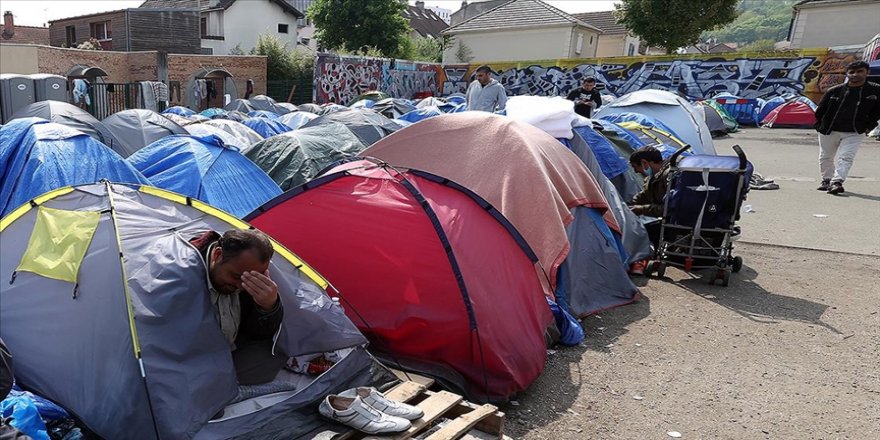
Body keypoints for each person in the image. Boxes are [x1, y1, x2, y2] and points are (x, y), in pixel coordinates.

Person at [190, 229, 286, 385]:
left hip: (225, 356)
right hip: (189, 363)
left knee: (277, 354)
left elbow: (257, 334)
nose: (240, 286)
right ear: (217, 255)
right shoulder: (183, 276)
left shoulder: (246, 279)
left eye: (249, 279)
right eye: (236, 276)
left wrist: (267, 307)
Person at [814, 60, 880, 195]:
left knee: (846, 157)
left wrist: (868, 127)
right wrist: (819, 125)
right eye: (852, 72)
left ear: (867, 72)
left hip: (855, 131)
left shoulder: (875, 90)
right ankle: (826, 180)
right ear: (847, 74)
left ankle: (837, 182)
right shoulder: (834, 91)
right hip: (829, 129)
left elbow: (877, 112)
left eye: (860, 71)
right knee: (826, 156)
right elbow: (820, 111)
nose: (855, 75)